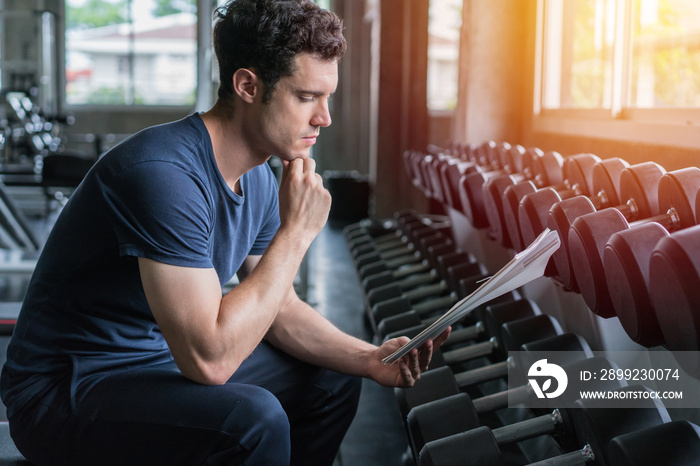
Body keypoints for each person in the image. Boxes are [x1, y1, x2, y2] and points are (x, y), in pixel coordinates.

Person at [0, 0, 449, 464]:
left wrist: (369, 358)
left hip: (152, 363)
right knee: (253, 419)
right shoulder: (163, 174)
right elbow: (210, 360)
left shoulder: (255, 176)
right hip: (63, 393)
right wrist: (295, 234)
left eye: (327, 97)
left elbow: (282, 309)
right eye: (306, 96)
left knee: (330, 378)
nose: (324, 117)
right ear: (248, 85)